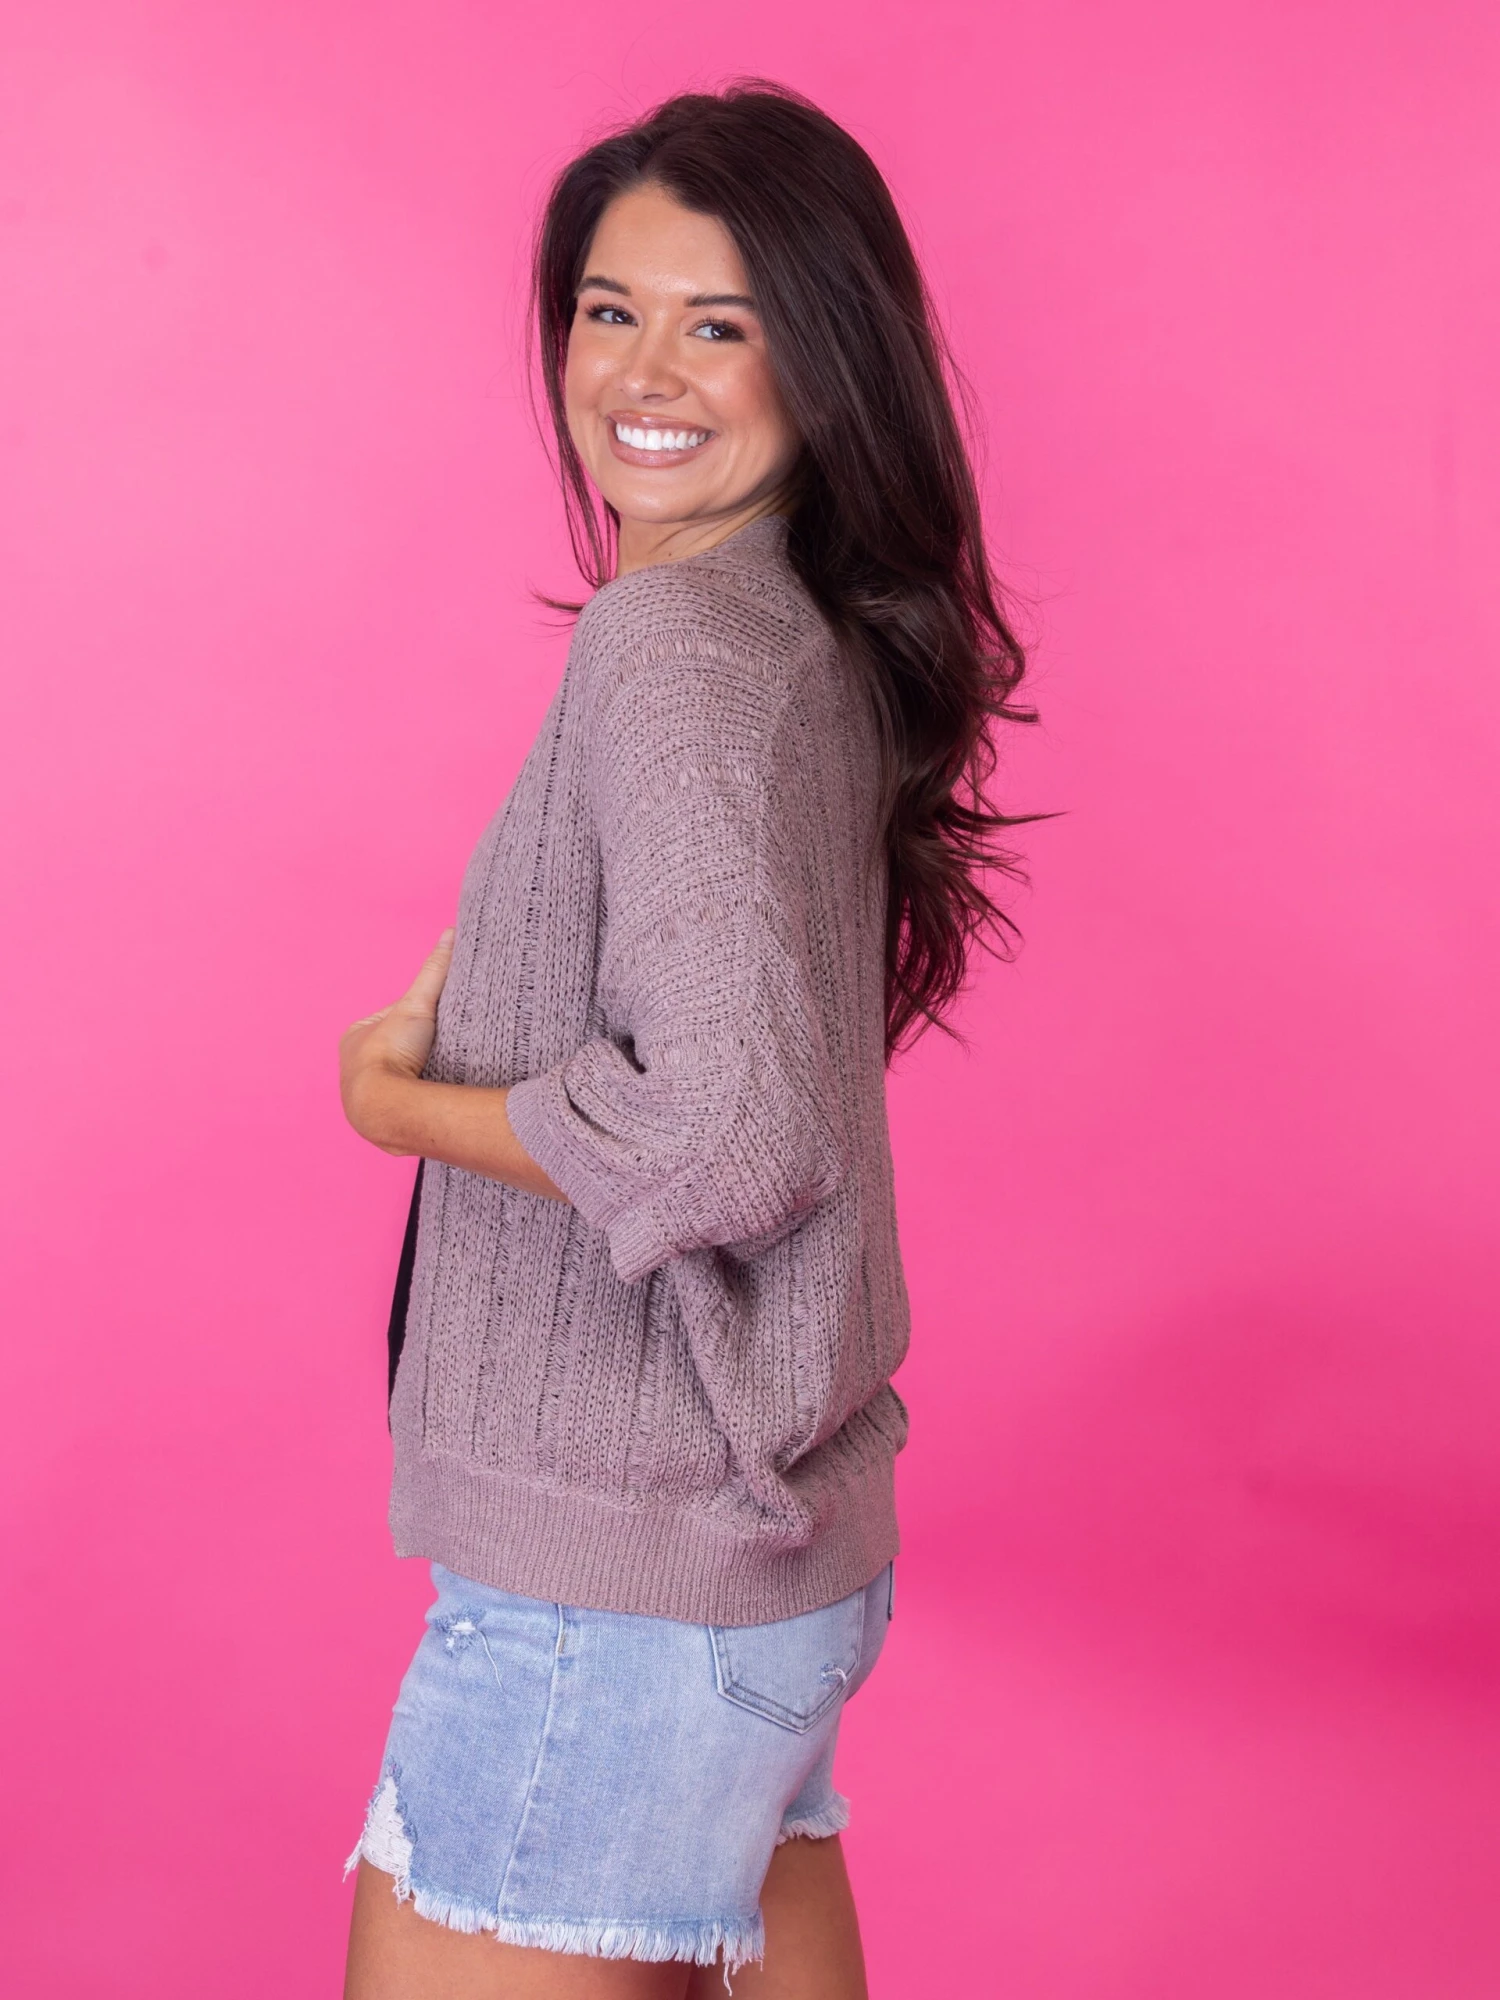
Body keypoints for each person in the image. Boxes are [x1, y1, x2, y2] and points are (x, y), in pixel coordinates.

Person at [337, 78, 1034, 2000]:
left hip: (622, 1593)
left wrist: (401, 1102)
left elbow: (733, 1132)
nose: (641, 373)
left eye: (718, 325)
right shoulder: (801, 628)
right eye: (607, 310)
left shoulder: (673, 651)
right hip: (765, 1561)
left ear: (822, 357)